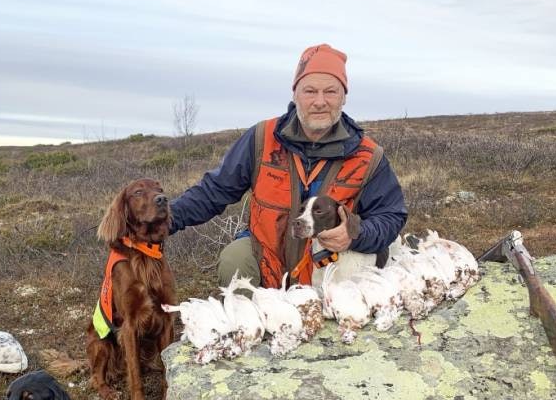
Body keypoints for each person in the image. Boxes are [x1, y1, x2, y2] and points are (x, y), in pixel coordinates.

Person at [169, 43, 407, 288]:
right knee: (234, 260)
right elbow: (213, 192)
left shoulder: (368, 156)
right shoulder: (262, 138)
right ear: (295, 94)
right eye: (310, 91)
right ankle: (254, 323)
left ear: (344, 97)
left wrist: (354, 235)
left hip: (332, 266)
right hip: (268, 255)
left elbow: (390, 216)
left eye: (331, 92)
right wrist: (161, 219)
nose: (320, 101)